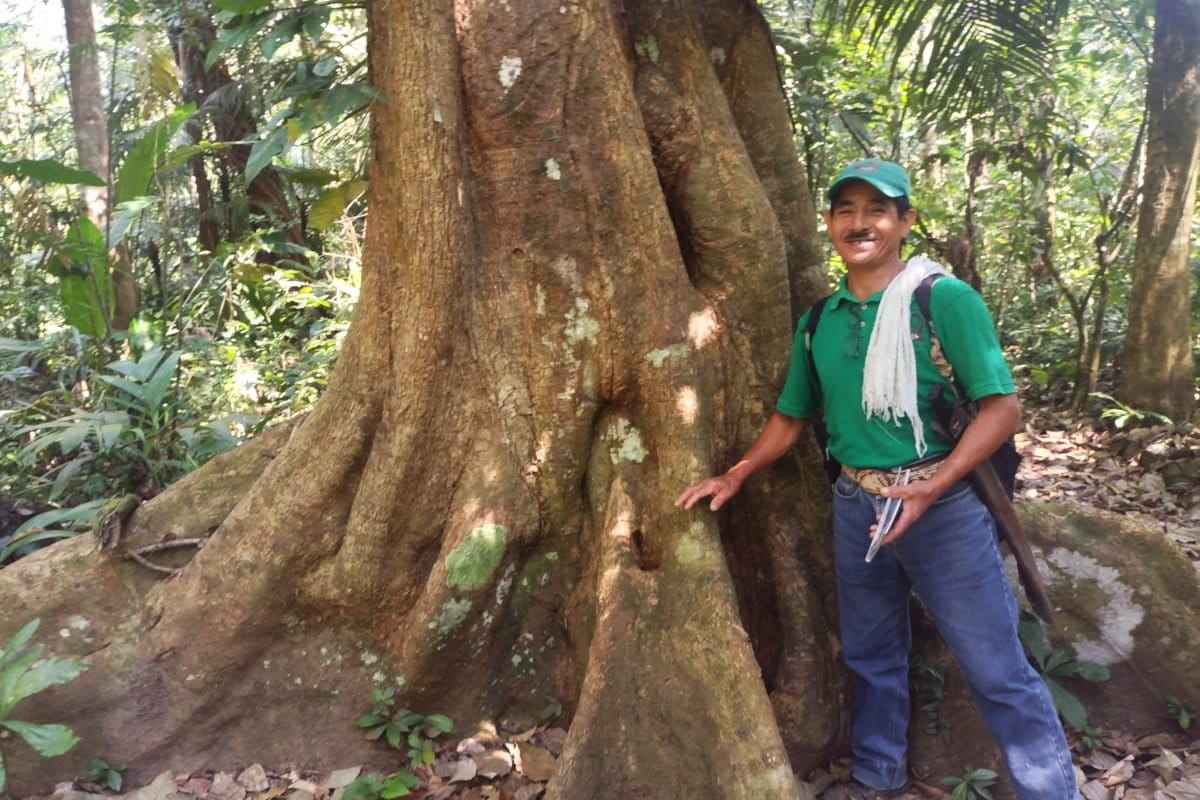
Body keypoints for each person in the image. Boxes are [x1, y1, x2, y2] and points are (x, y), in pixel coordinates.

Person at [675, 158, 1079, 800]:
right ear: (831, 224)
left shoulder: (942, 299)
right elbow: (793, 415)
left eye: (877, 210)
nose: (860, 223)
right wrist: (739, 471)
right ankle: (877, 775)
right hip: (854, 501)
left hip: (940, 507)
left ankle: (1051, 793)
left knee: (996, 668)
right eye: (846, 211)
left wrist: (935, 484)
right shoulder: (820, 320)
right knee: (870, 653)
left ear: (905, 221)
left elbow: (1003, 409)